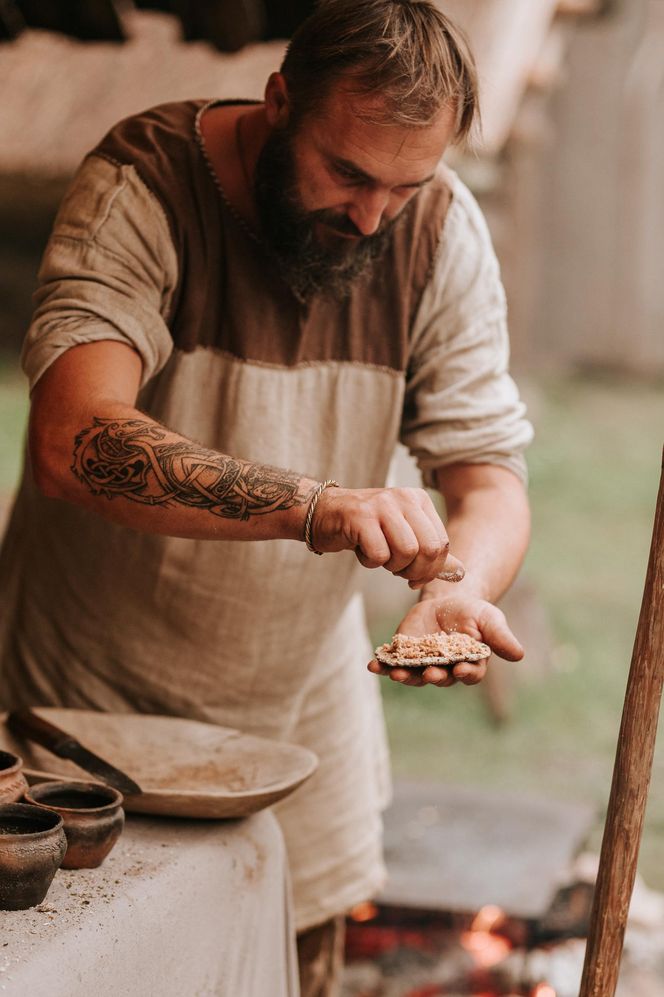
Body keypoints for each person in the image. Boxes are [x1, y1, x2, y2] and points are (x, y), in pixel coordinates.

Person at [0, 1, 533, 992]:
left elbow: (488, 475)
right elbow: (72, 440)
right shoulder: (144, 182)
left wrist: (464, 587)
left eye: (405, 185)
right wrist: (313, 505)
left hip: (297, 729)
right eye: (348, 174)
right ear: (280, 100)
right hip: (80, 713)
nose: (375, 215)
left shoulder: (439, 227)